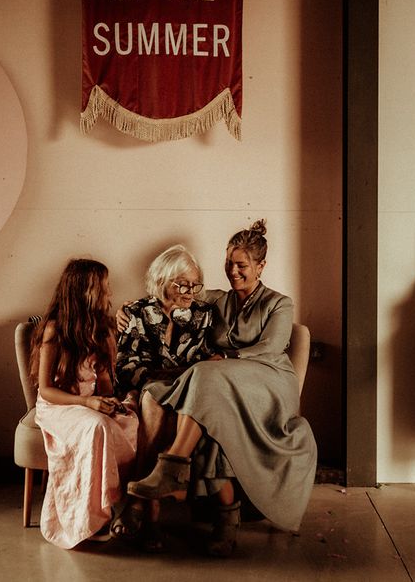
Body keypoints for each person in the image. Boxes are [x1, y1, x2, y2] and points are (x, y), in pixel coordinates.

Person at [122, 220, 317, 557]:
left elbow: (271, 347)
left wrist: (223, 357)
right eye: (229, 262)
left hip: (269, 381)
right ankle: (227, 521)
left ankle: (172, 465)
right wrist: (122, 312)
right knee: (200, 403)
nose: (233, 270)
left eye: (241, 265)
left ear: (261, 267)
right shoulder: (217, 300)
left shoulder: (279, 303)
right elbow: (172, 291)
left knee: (206, 374)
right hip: (222, 384)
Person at [111, 244, 218, 551]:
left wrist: (183, 373)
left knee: (164, 401)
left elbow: (208, 360)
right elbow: (127, 368)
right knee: (153, 399)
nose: (190, 290)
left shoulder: (204, 314)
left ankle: (136, 504)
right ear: (162, 280)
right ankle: (152, 517)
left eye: (194, 284)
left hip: (186, 392)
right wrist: (178, 374)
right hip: (153, 390)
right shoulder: (135, 313)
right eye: (182, 283)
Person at [29, 258, 138, 549]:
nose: (109, 293)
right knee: (96, 427)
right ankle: (90, 519)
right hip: (59, 406)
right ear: (82, 291)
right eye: (102, 288)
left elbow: (103, 382)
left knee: (129, 420)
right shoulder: (54, 330)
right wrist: (87, 403)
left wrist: (112, 401)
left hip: (88, 403)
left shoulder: (101, 329)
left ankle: (122, 505)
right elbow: (47, 391)